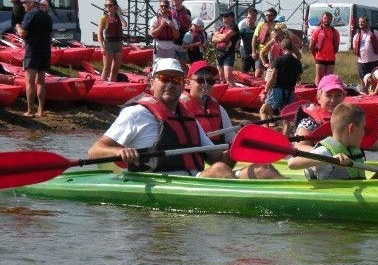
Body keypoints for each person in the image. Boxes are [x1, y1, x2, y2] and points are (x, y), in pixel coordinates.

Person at [87, 58, 281, 180]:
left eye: (176, 80)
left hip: (195, 178)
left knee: (263, 169)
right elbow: (95, 151)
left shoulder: (187, 118)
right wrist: (120, 151)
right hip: (159, 181)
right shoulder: (136, 114)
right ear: (151, 81)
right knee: (220, 170)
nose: (171, 84)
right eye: (164, 79)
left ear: (183, 85)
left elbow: (218, 160)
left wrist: (237, 145)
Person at [292, 74, 378, 153]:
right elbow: (299, 146)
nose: (333, 100)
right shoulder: (309, 122)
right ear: (318, 97)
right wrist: (329, 153)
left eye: (338, 95)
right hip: (322, 174)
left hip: (349, 174)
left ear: (344, 97)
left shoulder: (352, 121)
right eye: (328, 95)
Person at [288, 102, 378, 180]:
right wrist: (331, 158)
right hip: (333, 199)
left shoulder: (352, 148)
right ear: (351, 128)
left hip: (353, 195)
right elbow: (292, 163)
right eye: (363, 128)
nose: (364, 133)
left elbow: (359, 183)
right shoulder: (325, 151)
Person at [15, 0, 52, 118]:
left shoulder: (30, 14)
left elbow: (23, 34)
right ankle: (41, 110)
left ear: (32, 4)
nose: (24, 5)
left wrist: (18, 26)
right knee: (41, 82)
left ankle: (30, 111)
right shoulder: (47, 17)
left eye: (25, 3)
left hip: (32, 52)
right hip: (45, 52)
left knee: (29, 82)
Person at [259, 38, 303, 124]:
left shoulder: (279, 60)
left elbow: (272, 77)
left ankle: (265, 131)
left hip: (278, 89)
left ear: (282, 48)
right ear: (292, 48)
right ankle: (285, 136)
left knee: (263, 111)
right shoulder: (297, 63)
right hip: (290, 92)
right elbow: (298, 78)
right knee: (286, 118)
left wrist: (265, 92)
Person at [97, 0, 127, 82]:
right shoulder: (104, 18)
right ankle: (103, 85)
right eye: (106, 6)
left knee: (115, 69)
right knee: (107, 69)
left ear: (115, 7)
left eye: (110, 5)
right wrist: (102, 47)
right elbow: (99, 33)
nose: (108, 8)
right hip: (108, 44)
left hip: (118, 44)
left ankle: (112, 84)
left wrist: (120, 14)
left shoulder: (118, 17)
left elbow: (124, 24)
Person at [308, 11, 340, 85]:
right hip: (320, 58)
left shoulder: (335, 32)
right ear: (322, 19)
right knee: (319, 78)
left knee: (328, 79)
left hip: (331, 59)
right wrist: (315, 56)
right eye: (325, 18)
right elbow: (311, 46)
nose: (326, 20)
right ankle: (318, 93)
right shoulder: (317, 30)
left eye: (328, 18)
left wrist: (332, 53)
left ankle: (326, 94)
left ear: (331, 20)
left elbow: (336, 46)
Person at [352, 16, 378, 91]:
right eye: (359, 22)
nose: (360, 23)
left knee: (374, 78)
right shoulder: (356, 35)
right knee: (363, 79)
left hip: (373, 60)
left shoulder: (374, 33)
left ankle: (374, 93)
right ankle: (365, 92)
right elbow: (354, 48)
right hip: (361, 61)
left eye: (362, 22)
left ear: (367, 23)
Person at [211, 10, 240, 86]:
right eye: (223, 16)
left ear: (232, 18)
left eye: (226, 16)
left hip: (228, 54)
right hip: (219, 53)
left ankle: (234, 90)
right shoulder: (221, 28)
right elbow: (213, 39)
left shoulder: (235, 28)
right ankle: (224, 92)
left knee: (228, 76)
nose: (224, 18)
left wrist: (220, 36)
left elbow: (225, 37)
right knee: (221, 77)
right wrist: (221, 37)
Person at [252, 7, 277, 78]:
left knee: (271, 73)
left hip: (272, 53)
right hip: (261, 51)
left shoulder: (276, 26)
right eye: (267, 15)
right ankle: (255, 87)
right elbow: (254, 38)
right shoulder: (261, 24)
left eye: (270, 15)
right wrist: (253, 51)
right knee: (258, 72)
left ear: (274, 16)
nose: (268, 17)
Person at [168, 0, 192, 67]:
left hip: (182, 39)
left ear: (181, 0)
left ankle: (183, 77)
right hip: (172, 39)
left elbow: (190, 26)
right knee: (171, 62)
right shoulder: (169, 12)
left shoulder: (187, 11)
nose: (174, 0)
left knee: (182, 63)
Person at [238, 6, 257, 73]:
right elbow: (237, 38)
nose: (249, 19)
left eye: (251, 18)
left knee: (257, 71)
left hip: (255, 53)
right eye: (248, 18)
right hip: (245, 53)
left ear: (255, 19)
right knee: (244, 71)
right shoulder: (243, 29)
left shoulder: (257, 29)